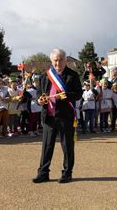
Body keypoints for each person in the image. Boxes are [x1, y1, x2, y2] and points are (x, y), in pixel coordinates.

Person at [32, 48, 82, 184]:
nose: (58, 63)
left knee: (67, 146)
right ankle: (43, 172)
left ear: (65, 60)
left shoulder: (73, 75)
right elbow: (39, 93)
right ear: (51, 61)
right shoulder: (44, 76)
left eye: (60, 60)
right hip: (49, 117)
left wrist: (67, 96)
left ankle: (67, 173)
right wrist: (39, 100)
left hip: (65, 117)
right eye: (55, 60)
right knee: (47, 146)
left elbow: (78, 94)